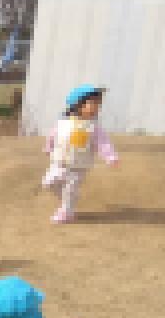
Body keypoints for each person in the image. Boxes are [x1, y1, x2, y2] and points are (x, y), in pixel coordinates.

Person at [42, 85, 119, 224]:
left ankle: (66, 212)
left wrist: (110, 156)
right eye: (92, 103)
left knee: (70, 189)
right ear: (77, 104)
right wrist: (48, 147)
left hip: (78, 167)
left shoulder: (93, 127)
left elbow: (103, 142)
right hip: (59, 163)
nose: (96, 107)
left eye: (98, 104)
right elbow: (53, 136)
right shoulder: (62, 123)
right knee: (48, 183)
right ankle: (68, 200)